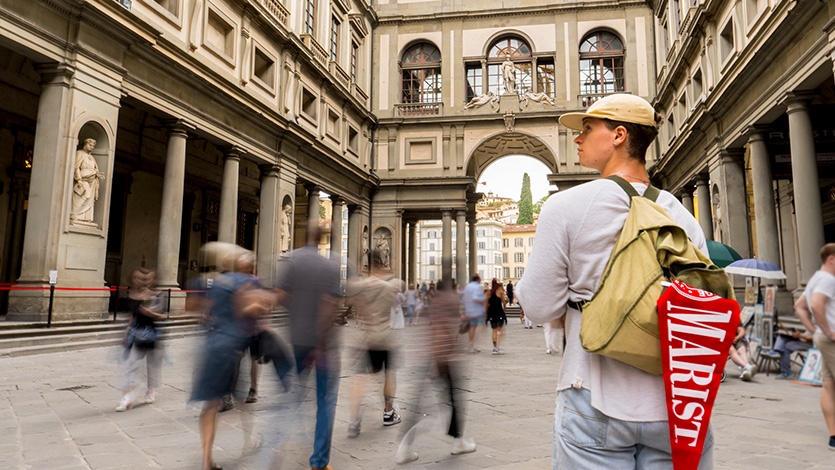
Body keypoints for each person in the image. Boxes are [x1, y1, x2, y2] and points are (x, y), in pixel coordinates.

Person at [515, 94, 711, 468]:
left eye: (587, 129)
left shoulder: (565, 206)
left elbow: (539, 306)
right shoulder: (681, 214)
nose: (577, 138)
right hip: (679, 404)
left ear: (619, 135)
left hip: (593, 395)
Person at [191, 245, 275, 470]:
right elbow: (248, 310)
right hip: (231, 348)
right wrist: (262, 305)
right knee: (240, 401)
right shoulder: (242, 284)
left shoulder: (213, 283)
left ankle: (206, 460)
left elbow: (197, 310)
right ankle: (248, 443)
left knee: (210, 405)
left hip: (212, 347)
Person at [275, 225, 342, 470]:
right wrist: (320, 337)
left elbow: (280, 295)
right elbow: (330, 303)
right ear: (323, 240)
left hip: (297, 338)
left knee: (293, 395)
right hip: (322, 345)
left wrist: (297, 313)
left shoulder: (292, 261)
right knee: (325, 400)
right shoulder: (329, 267)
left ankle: (275, 444)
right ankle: (319, 461)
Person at [395, 279, 477, 463]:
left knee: (434, 403)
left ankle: (455, 441)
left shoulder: (434, 302)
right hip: (443, 359)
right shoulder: (449, 302)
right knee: (437, 407)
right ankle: (455, 442)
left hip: (434, 357)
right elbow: (450, 329)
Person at [345, 249, 404, 438]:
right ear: (381, 263)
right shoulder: (389, 286)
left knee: (360, 378)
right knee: (389, 374)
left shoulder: (361, 285)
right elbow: (399, 285)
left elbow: (350, 295)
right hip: (385, 338)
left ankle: (354, 419)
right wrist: (387, 275)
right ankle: (388, 412)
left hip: (368, 338)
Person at [793, 243, 835, 451]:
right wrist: (827, 330)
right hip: (832, 338)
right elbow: (816, 304)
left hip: (822, 337)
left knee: (828, 385)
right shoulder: (827, 279)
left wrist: (814, 330)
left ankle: (833, 436)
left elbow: (799, 307)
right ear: (832, 259)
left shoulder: (815, 279)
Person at [116, 268, 166, 412]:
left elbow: (164, 315)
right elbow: (133, 315)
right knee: (132, 364)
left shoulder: (156, 296)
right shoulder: (133, 295)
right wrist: (126, 330)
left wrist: (152, 313)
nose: (142, 281)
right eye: (138, 278)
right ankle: (127, 397)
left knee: (152, 366)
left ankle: (150, 390)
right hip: (136, 335)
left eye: (146, 278)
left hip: (152, 334)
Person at [71, 138, 104, 224]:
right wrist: (78, 179)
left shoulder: (91, 157)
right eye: (90, 145)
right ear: (85, 144)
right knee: (86, 195)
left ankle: (85, 217)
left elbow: (94, 168)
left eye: (93, 146)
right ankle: (75, 213)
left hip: (92, 181)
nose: (91, 147)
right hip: (83, 179)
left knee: (90, 199)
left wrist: (97, 174)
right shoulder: (80, 153)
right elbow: (76, 167)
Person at [460, 274, 486, 353]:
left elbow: (463, 297)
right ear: (478, 280)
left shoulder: (468, 286)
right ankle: (472, 344)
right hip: (476, 310)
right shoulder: (478, 287)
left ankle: (471, 344)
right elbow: (475, 298)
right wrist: (483, 299)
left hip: (469, 309)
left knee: (472, 327)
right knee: (479, 327)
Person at [486, 279, 507, 355]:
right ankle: (498, 346)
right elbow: (504, 302)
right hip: (499, 312)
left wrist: (486, 313)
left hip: (491, 312)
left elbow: (486, 303)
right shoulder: (500, 292)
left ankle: (495, 347)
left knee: (494, 330)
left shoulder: (488, 292)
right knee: (501, 330)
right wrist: (504, 310)